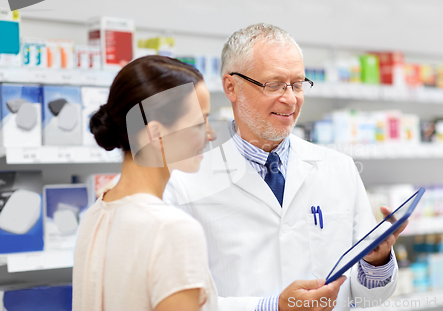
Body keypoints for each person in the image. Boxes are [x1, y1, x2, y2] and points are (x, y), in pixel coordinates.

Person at [164, 24, 403, 311]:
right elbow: (183, 303)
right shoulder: (184, 183)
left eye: (298, 84)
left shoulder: (340, 169)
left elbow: (365, 297)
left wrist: (376, 261)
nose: (290, 99)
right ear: (231, 87)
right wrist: (272, 306)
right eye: (274, 84)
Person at [73, 56, 217, 311]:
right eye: (199, 123)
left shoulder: (95, 214)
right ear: (156, 134)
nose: (210, 134)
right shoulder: (173, 230)